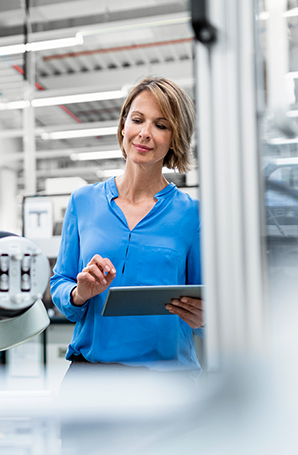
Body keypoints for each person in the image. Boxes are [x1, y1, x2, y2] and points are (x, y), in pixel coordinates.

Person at [50, 76, 204, 375]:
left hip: (167, 379)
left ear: (175, 138)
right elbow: (60, 284)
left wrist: (206, 319)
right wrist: (79, 293)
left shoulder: (192, 215)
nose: (144, 133)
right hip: (92, 376)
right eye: (137, 120)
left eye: (161, 125)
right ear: (123, 126)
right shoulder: (83, 202)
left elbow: (209, 303)